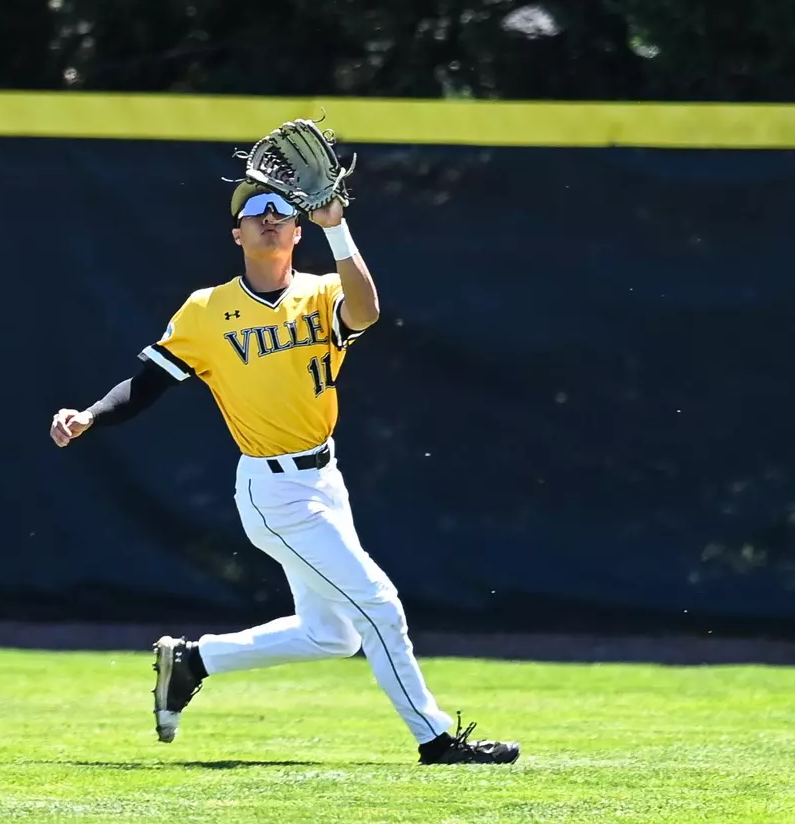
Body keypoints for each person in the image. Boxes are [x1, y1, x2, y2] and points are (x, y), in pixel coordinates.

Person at [49, 181, 519, 765]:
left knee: (333, 635)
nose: (268, 216)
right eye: (254, 210)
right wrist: (91, 415)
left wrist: (337, 228)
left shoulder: (322, 293)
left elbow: (367, 312)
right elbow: (147, 384)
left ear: (297, 231)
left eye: (281, 210)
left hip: (325, 478)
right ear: (237, 234)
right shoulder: (206, 310)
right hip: (274, 491)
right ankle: (437, 740)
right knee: (379, 604)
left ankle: (195, 660)